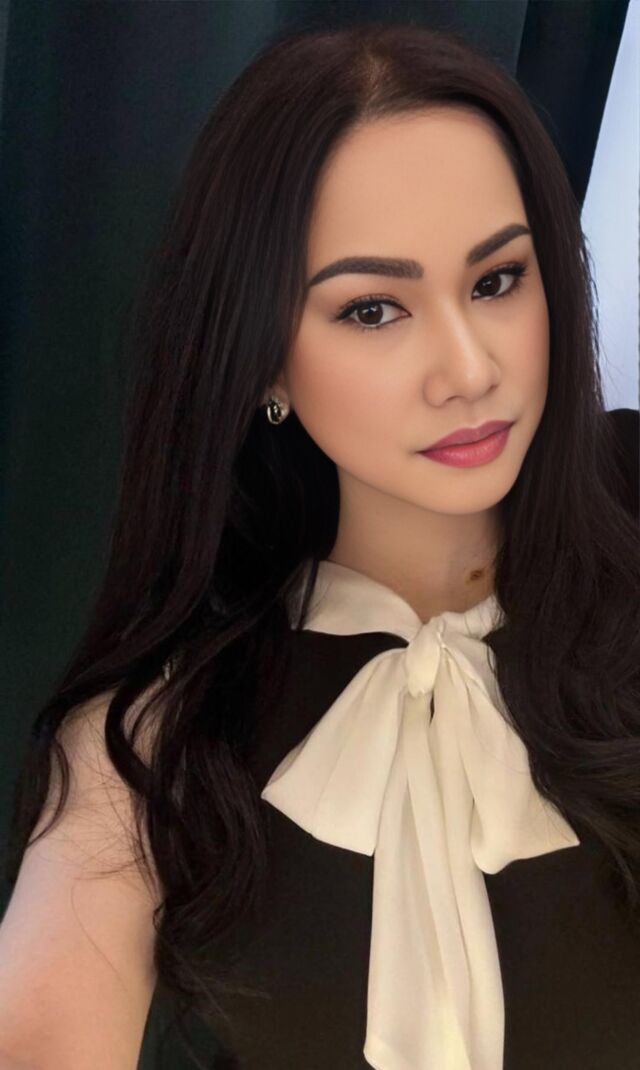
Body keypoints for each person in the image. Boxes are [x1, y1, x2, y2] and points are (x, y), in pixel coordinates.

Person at [1, 20, 639, 1070]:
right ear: (264, 358)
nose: (468, 369)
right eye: (374, 308)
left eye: (496, 281)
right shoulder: (159, 737)